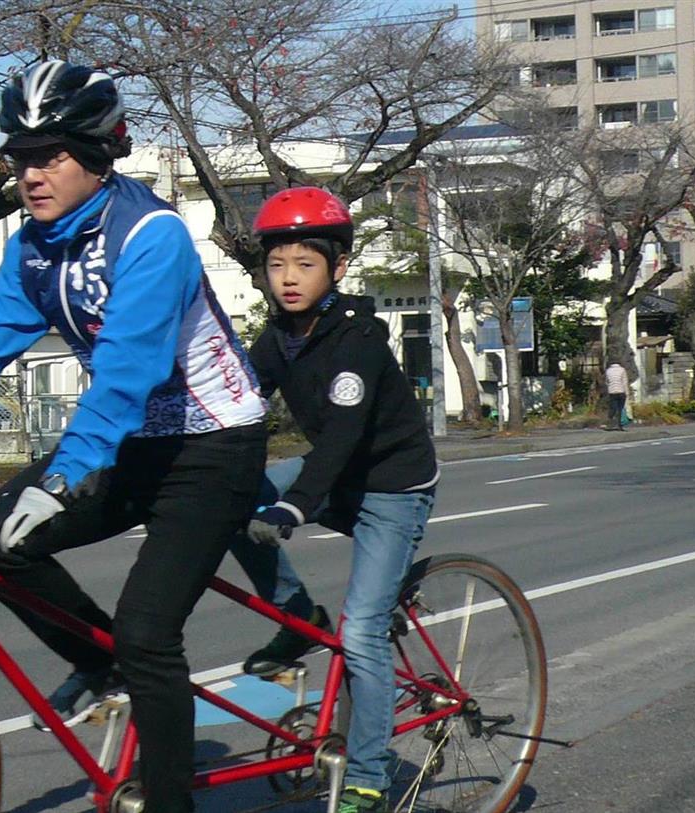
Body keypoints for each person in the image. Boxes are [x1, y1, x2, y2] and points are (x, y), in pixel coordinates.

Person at [0, 60, 268, 813]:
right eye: (21, 155)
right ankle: (102, 663)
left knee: (149, 632)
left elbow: (127, 375)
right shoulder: (34, 247)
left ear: (96, 154)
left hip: (210, 443)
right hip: (126, 443)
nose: (31, 172)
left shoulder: (151, 236)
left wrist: (61, 478)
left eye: (51, 154)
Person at [225, 187, 439, 813]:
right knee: (232, 496)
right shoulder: (278, 337)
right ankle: (299, 620)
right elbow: (234, 405)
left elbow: (343, 436)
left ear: (338, 267)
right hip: (338, 478)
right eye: (277, 265)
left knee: (365, 632)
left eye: (305, 264)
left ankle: (370, 778)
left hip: (393, 488)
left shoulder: (358, 338)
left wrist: (294, 507)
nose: (288, 278)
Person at [605, 360, 629, 430]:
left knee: (613, 408)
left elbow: (607, 382)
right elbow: (625, 382)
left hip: (612, 392)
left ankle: (610, 424)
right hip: (621, 391)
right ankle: (620, 425)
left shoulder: (608, 371)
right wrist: (627, 393)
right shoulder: (622, 370)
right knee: (620, 409)